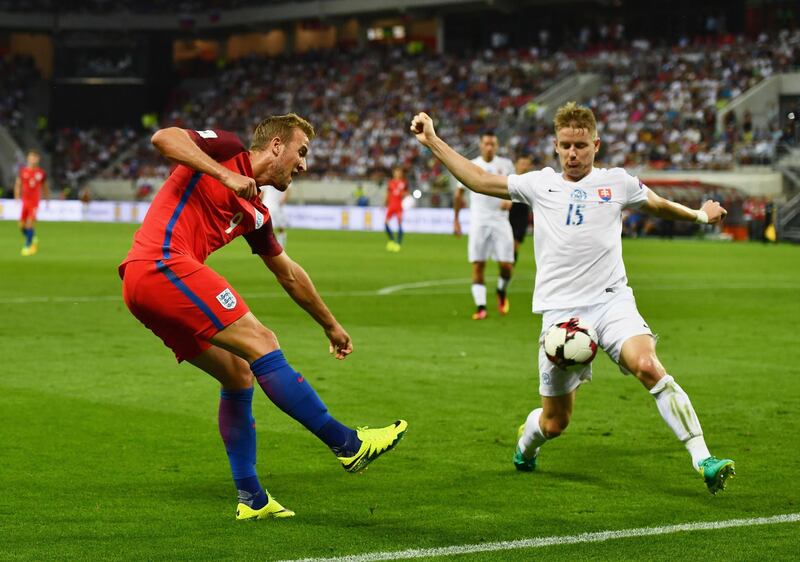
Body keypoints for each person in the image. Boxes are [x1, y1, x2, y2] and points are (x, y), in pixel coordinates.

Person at [410, 103, 735, 494]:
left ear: (595, 144)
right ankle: (527, 444)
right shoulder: (539, 184)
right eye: (565, 146)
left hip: (613, 302)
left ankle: (703, 459)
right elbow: (479, 178)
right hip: (562, 318)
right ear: (555, 145)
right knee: (555, 423)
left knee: (648, 364)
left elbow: (660, 206)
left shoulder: (617, 183)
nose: (572, 154)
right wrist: (432, 141)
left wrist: (700, 216)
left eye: (580, 145)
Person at [119, 115, 407, 521]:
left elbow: (289, 273)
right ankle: (348, 444)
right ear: (275, 146)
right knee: (263, 341)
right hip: (160, 264)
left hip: (147, 286)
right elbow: (163, 138)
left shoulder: (257, 214)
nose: (304, 164)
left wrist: (330, 324)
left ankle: (251, 499)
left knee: (238, 374)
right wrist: (225, 175)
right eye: (301, 151)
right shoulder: (226, 149)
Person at [453, 132, 516, 320]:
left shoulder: (506, 165)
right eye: (486, 143)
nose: (489, 147)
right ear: (480, 145)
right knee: (478, 265)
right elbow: (458, 194)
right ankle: (481, 307)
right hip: (479, 221)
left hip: (500, 220)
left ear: (496, 146)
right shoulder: (472, 165)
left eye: (493, 144)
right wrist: (456, 219)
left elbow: (517, 190)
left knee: (506, 266)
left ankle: (501, 291)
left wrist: (511, 202)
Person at [14, 150, 49, 256]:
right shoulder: (23, 171)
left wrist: (47, 199)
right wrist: (16, 195)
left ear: (38, 159)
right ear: (28, 158)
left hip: (34, 203)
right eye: (31, 157)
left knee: (29, 224)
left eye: (35, 157)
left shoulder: (41, 173)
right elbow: (18, 184)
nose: (33, 159)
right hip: (25, 202)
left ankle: (27, 246)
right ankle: (33, 237)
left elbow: (45, 187)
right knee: (21, 226)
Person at [509, 155, 534, 263]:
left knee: (514, 246)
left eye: (526, 164)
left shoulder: (532, 182)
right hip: (507, 216)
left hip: (521, 218)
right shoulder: (509, 180)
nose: (524, 167)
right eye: (522, 164)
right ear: (516, 165)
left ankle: (507, 274)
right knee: (505, 247)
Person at [384, 166, 408, 252]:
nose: (397, 173)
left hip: (398, 206)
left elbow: (406, 193)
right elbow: (387, 194)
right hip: (391, 205)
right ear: (393, 173)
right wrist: (385, 203)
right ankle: (391, 240)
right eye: (396, 172)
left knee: (399, 224)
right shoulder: (390, 182)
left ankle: (398, 243)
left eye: (399, 172)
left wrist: (404, 194)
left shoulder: (403, 183)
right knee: (386, 223)